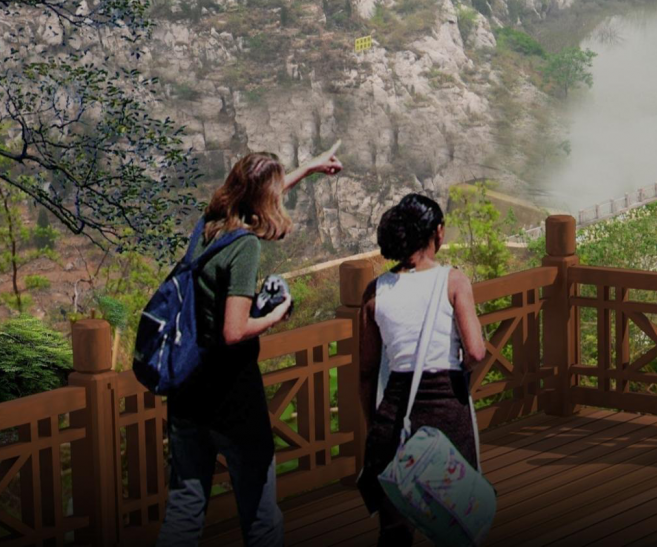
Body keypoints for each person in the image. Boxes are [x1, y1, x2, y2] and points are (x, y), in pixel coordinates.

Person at [156, 147, 342, 547]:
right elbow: (234, 331)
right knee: (259, 510)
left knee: (185, 509)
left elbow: (259, 197)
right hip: (232, 399)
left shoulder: (209, 225)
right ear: (264, 199)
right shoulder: (245, 249)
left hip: (187, 392)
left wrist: (306, 170)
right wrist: (278, 313)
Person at [358, 194, 488, 547]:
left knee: (395, 529)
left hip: (395, 418)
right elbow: (476, 351)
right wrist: (463, 374)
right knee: (456, 523)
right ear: (438, 233)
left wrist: (375, 426)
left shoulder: (375, 292)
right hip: (448, 413)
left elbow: (367, 372)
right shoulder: (454, 281)